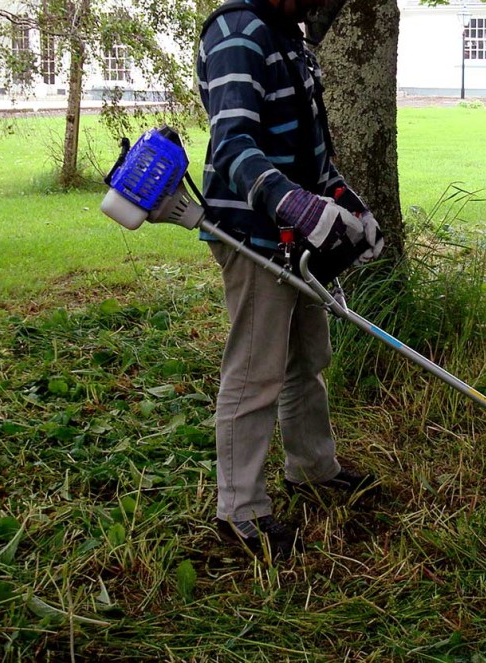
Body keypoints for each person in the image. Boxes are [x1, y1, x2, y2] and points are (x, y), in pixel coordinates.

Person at [197, 0, 383, 559]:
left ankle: (312, 469)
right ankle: (240, 512)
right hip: (251, 235)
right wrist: (296, 207)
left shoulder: (291, 39)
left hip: (294, 236)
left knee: (308, 356)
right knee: (256, 372)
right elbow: (233, 145)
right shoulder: (236, 32)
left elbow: (313, 154)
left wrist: (350, 206)